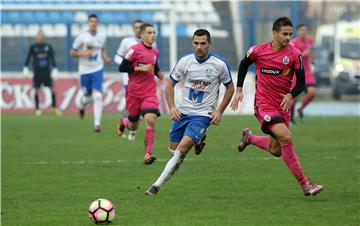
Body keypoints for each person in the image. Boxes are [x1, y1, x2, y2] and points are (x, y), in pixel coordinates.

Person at [231, 17, 323, 196]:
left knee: (276, 150)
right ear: (274, 33)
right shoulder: (258, 51)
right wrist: (239, 89)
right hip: (264, 106)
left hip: (283, 107)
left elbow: (301, 83)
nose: (288, 37)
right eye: (284, 34)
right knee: (286, 137)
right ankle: (306, 184)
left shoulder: (295, 55)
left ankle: (249, 138)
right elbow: (243, 64)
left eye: (290, 34)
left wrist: (291, 94)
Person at [145, 29, 234, 196]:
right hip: (183, 113)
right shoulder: (185, 62)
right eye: (196, 43)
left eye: (203, 43)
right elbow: (169, 85)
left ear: (209, 44)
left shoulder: (219, 64)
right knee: (173, 152)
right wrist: (172, 107)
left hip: (203, 115)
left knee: (182, 150)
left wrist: (219, 111)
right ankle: (199, 141)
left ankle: (155, 186)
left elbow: (230, 88)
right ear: (193, 43)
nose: (199, 47)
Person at [117, 23, 165, 164]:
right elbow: (122, 67)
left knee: (150, 120)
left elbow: (154, 67)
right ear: (142, 35)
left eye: (154, 32)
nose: (152, 35)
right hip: (133, 93)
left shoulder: (155, 52)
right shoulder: (134, 49)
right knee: (133, 125)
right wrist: (140, 68)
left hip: (149, 92)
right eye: (149, 33)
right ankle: (123, 121)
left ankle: (147, 154)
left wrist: (159, 73)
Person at [70, 14, 111, 132]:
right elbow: (72, 52)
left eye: (95, 21)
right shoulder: (82, 37)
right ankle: (82, 107)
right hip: (84, 70)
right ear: (88, 23)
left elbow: (102, 50)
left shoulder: (102, 36)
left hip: (97, 69)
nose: (93, 23)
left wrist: (106, 58)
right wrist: (82, 54)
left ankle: (97, 124)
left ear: (98, 24)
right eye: (91, 21)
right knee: (87, 98)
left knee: (97, 96)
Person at [114, 19, 144, 139]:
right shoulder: (127, 41)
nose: (138, 29)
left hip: (143, 80)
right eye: (136, 27)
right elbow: (117, 56)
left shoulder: (150, 42)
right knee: (133, 107)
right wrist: (126, 65)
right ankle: (131, 128)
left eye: (140, 27)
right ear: (133, 29)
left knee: (142, 107)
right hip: (129, 79)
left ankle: (130, 127)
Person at [23, 31, 61, 116]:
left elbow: (52, 58)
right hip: (37, 72)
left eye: (41, 36)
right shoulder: (33, 47)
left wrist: (55, 68)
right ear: (36, 37)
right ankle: (38, 109)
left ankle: (54, 108)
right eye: (38, 36)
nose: (40, 38)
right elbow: (28, 58)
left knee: (52, 89)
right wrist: (25, 67)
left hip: (46, 72)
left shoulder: (48, 47)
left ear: (43, 37)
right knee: (37, 90)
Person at [290, 23, 316, 124]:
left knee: (312, 92)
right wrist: (303, 54)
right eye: (301, 30)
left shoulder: (309, 41)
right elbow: (293, 57)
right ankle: (290, 117)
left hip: (307, 72)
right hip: (297, 72)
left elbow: (310, 52)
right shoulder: (293, 43)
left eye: (305, 30)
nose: (303, 32)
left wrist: (312, 58)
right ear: (297, 32)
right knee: (293, 98)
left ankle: (301, 109)